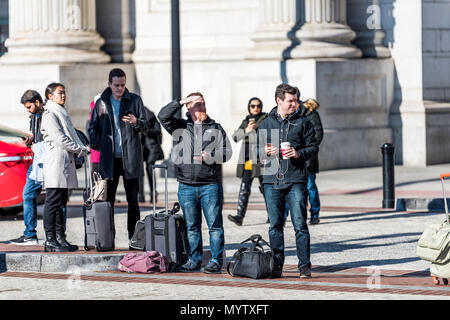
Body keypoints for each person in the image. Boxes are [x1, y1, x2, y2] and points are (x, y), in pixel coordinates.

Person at [158, 92, 232, 274]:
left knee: (215, 226)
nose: (202, 107)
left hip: (210, 185)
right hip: (186, 186)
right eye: (198, 104)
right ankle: (194, 260)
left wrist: (211, 157)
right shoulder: (181, 128)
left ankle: (215, 260)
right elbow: (162, 115)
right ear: (189, 107)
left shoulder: (216, 127)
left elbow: (227, 152)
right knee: (192, 227)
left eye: (203, 103)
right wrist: (181, 101)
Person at [258, 84, 318, 278]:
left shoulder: (303, 122)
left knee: (300, 224)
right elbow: (255, 152)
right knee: (275, 225)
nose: (295, 104)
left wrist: (298, 153)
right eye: (291, 101)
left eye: (296, 100)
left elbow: (314, 148)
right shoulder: (266, 123)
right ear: (279, 101)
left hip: (296, 179)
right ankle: (276, 266)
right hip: (271, 180)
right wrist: (264, 152)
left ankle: (304, 266)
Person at [88, 68, 148, 241]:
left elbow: (146, 126)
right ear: (109, 84)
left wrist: (137, 122)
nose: (119, 89)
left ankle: (134, 238)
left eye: (122, 85)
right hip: (109, 160)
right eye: (116, 85)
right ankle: (108, 239)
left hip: (130, 158)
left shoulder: (134, 100)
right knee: (109, 202)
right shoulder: (101, 102)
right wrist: (98, 145)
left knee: (133, 202)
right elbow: (93, 127)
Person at [40, 83, 89, 252]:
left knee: (61, 203)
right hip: (55, 163)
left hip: (64, 163)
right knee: (52, 202)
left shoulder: (61, 112)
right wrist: (81, 149)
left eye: (64, 92)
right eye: (59, 93)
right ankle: (50, 240)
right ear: (50, 96)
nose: (63, 95)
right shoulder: (49, 114)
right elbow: (60, 138)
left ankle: (60, 238)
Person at [227, 97, 267, 226]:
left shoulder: (265, 119)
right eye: (252, 106)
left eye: (258, 106)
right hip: (248, 160)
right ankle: (239, 216)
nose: (255, 108)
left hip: (261, 159)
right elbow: (235, 137)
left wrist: (256, 130)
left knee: (266, 188)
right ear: (249, 107)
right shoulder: (246, 121)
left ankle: (273, 215)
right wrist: (246, 130)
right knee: (245, 187)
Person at [299, 98, 324, 225]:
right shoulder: (288, 112)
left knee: (310, 186)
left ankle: (315, 214)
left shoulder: (310, 113)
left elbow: (318, 133)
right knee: (290, 187)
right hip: (293, 157)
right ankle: (286, 216)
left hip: (308, 157)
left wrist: (309, 150)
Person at [138, 106, 164, 203]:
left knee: (150, 170)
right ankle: (140, 195)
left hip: (151, 147)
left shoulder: (150, 115)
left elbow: (158, 131)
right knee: (139, 173)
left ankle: (153, 193)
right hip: (141, 148)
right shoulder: (135, 114)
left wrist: (145, 130)